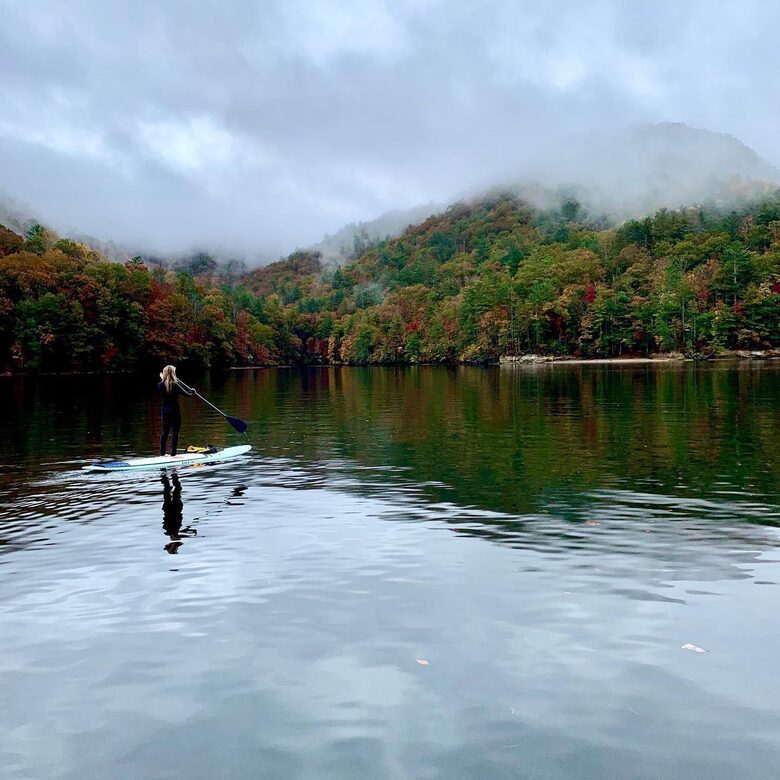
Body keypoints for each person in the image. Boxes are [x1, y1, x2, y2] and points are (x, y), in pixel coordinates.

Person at [158, 365, 194, 457]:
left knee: (165, 432)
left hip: (165, 411)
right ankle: (173, 454)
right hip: (175, 411)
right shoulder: (176, 384)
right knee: (175, 432)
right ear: (173, 373)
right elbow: (188, 394)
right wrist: (193, 391)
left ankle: (162, 454)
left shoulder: (160, 385)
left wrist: (164, 378)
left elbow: (165, 384)